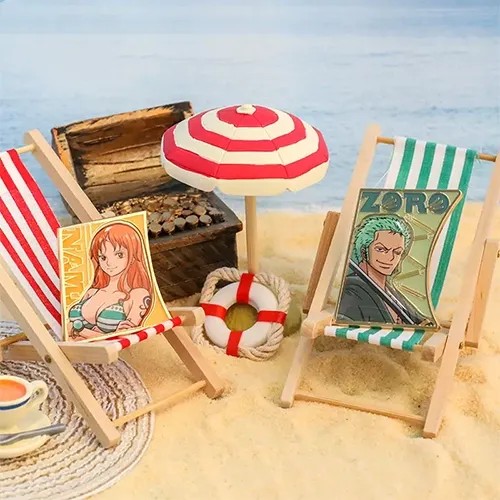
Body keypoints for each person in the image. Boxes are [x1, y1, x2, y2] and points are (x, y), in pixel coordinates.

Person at [337, 214, 429, 326]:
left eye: (397, 252)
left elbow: (419, 321)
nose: (390, 258)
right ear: (364, 250)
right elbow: (344, 324)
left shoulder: (388, 291)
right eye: (381, 249)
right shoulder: (353, 290)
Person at [68, 222, 153, 340]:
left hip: (107, 349)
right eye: (103, 257)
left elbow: (124, 338)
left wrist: (79, 330)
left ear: (133, 255)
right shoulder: (91, 292)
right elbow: (67, 331)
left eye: (119, 254)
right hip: (73, 349)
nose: (109, 263)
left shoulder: (138, 294)